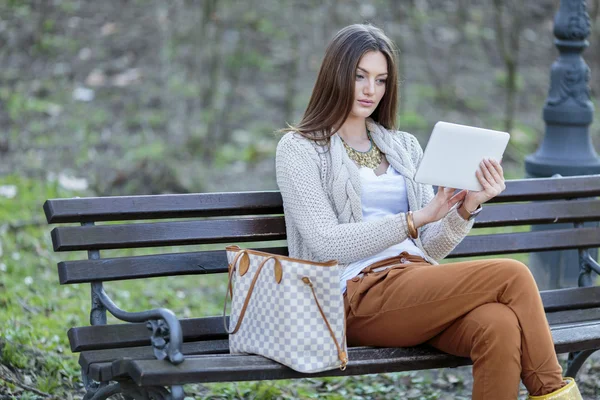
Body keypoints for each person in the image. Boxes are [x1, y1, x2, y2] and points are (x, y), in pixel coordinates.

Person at [275, 24, 582, 400]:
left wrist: (465, 208)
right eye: (360, 76)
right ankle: (557, 394)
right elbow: (324, 243)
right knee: (512, 274)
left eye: (381, 80)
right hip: (350, 296)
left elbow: (429, 247)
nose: (371, 90)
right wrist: (415, 218)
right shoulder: (300, 149)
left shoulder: (403, 146)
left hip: (413, 284)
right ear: (335, 74)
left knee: (498, 325)